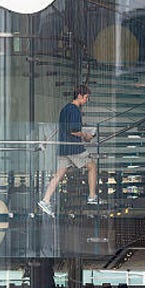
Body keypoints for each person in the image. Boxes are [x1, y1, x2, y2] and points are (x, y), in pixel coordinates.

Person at [38, 85, 101, 217]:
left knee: (59, 175)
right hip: (73, 148)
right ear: (79, 96)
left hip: (63, 147)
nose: (86, 100)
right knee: (92, 166)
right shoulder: (75, 110)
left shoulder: (65, 109)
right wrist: (86, 135)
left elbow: (64, 128)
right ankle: (92, 196)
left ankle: (45, 200)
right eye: (86, 97)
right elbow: (73, 131)